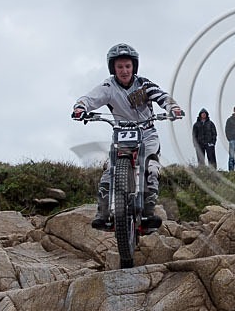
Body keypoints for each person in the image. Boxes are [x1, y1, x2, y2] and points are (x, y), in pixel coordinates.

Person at [71, 43, 183, 229]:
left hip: (147, 133)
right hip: (121, 133)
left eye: (127, 66)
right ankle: (103, 211)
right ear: (113, 68)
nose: (124, 71)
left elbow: (162, 96)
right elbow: (91, 98)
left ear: (134, 67)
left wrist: (173, 108)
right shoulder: (108, 86)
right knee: (109, 170)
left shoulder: (144, 84)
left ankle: (148, 210)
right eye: (120, 67)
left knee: (152, 168)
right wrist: (80, 107)